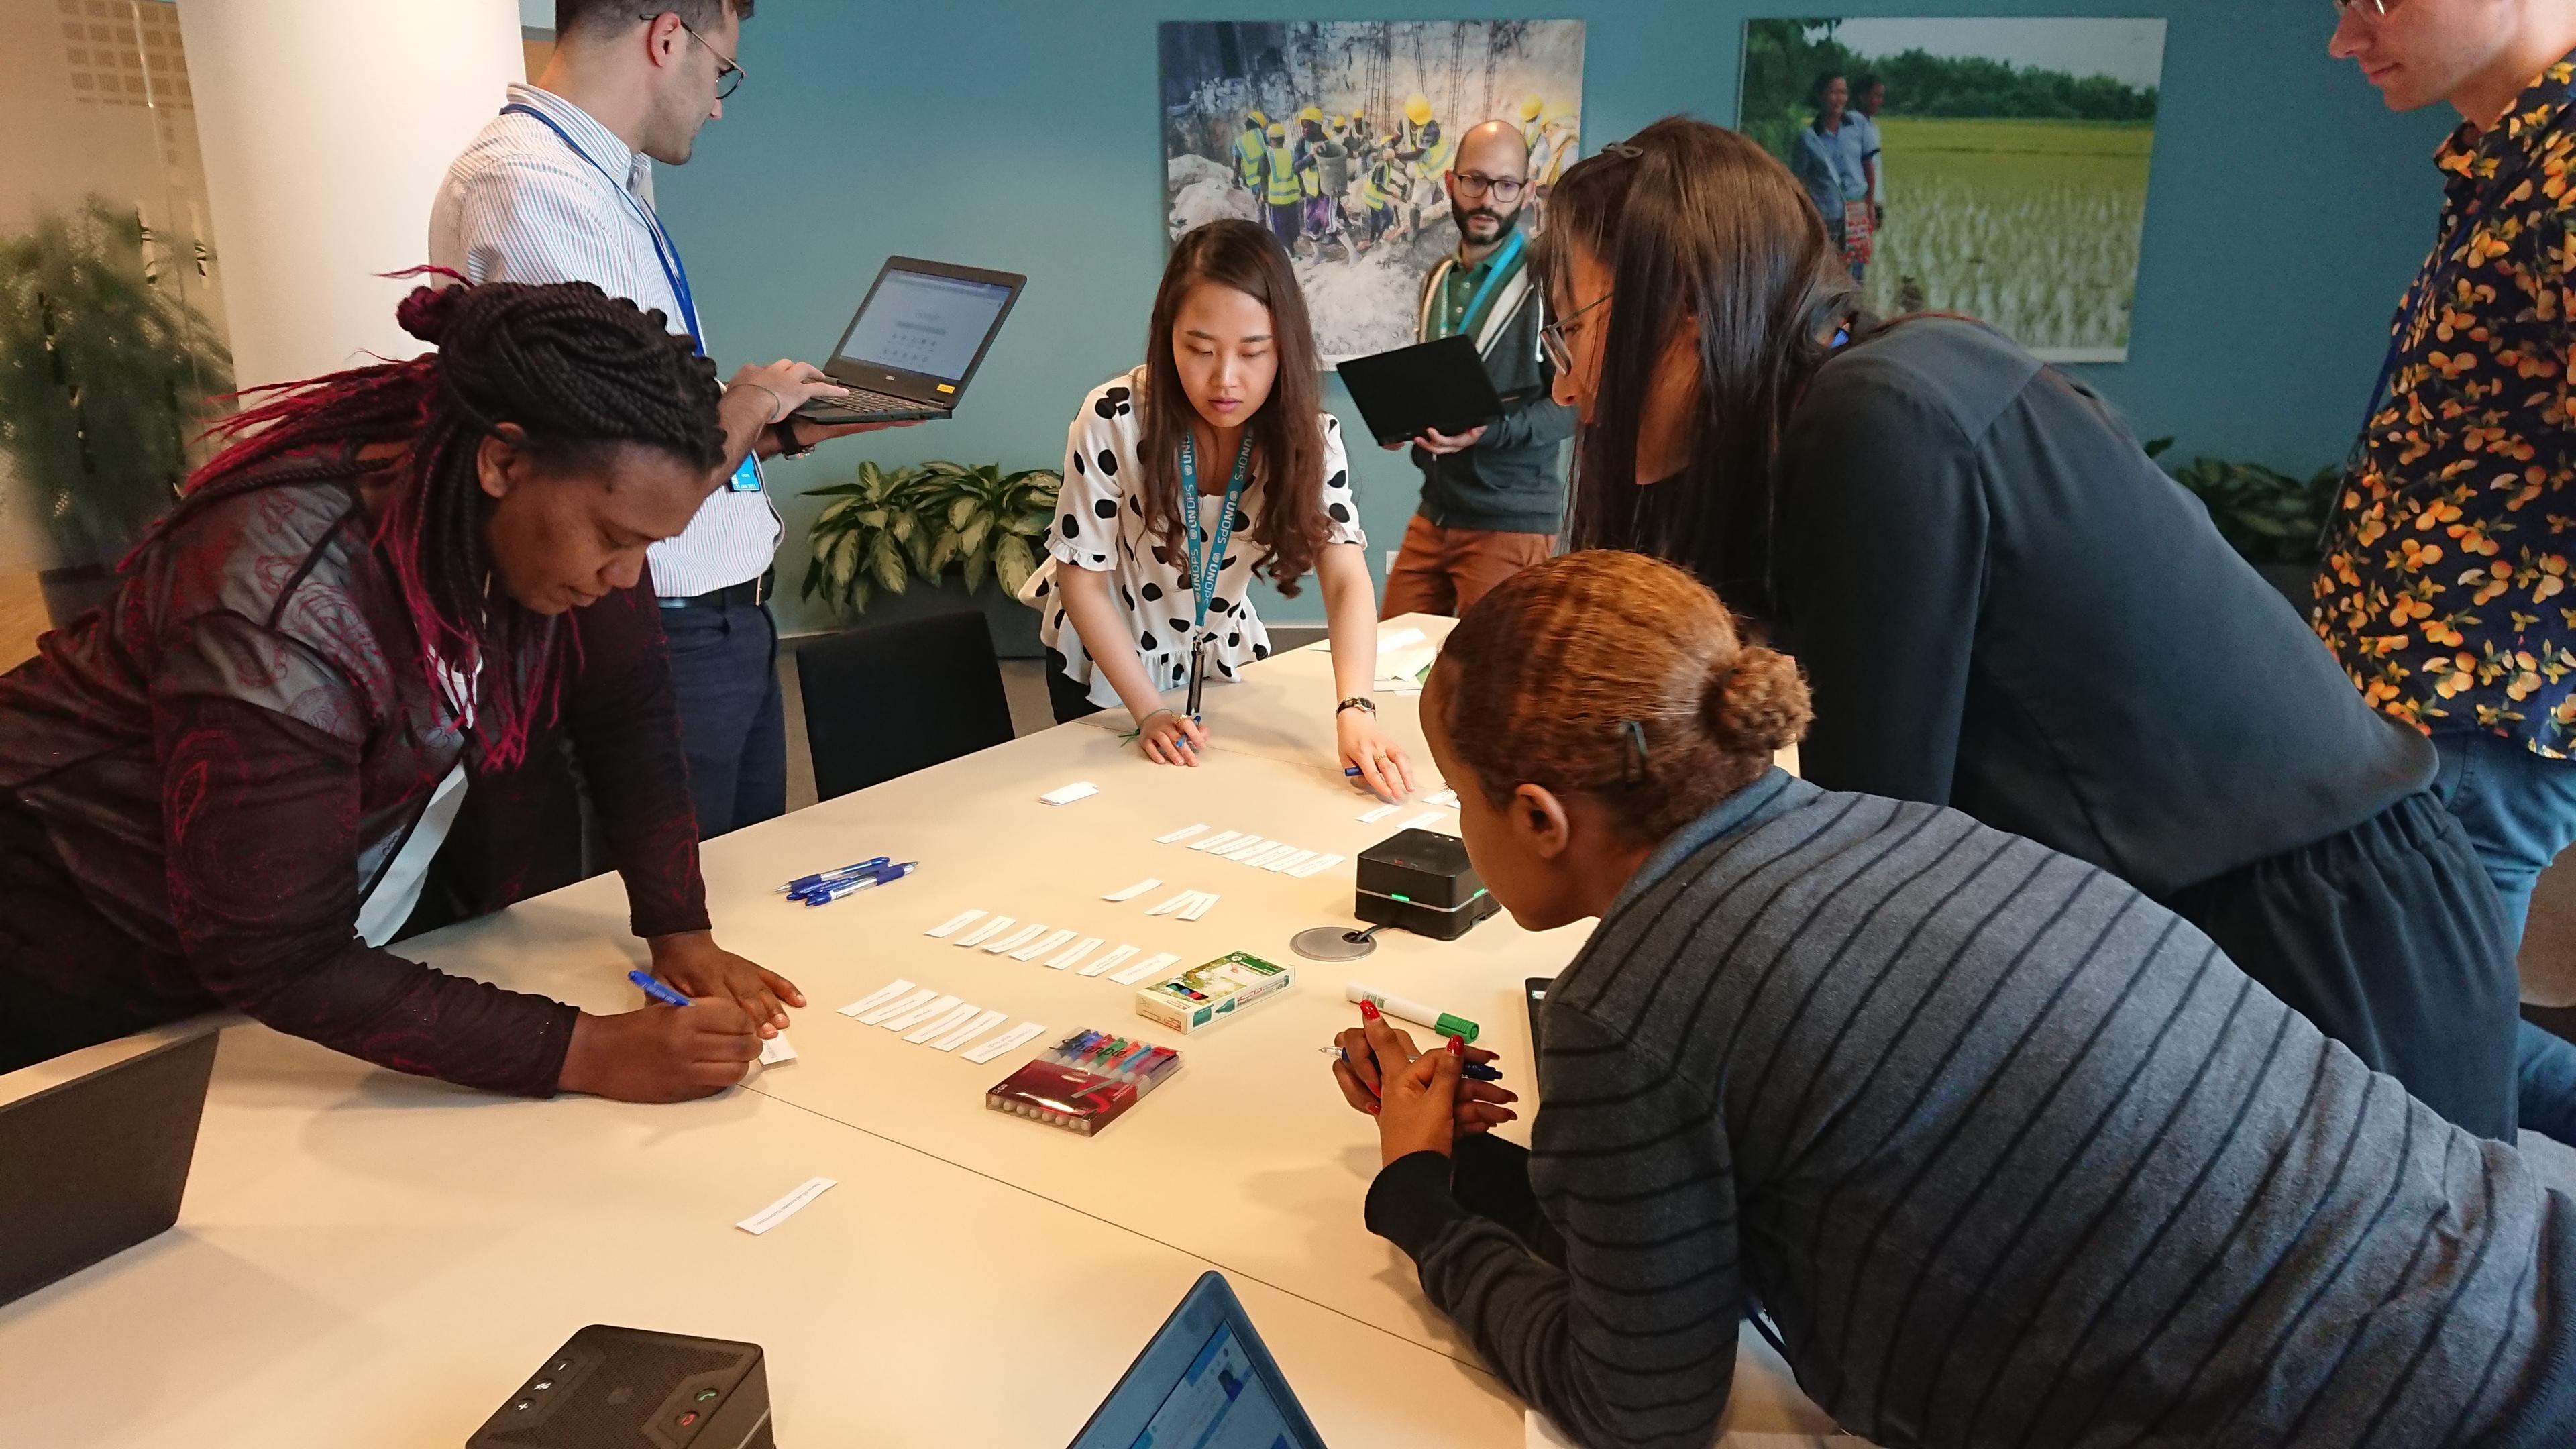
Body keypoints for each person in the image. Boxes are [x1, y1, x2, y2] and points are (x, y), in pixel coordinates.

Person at [1330, 549, 2576, 1449]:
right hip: (2516, 1276)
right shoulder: (1903, 827)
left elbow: (1637, 1405)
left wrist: (1424, 1200)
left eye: (1463, 799)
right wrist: (1523, 1179)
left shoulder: (1628, 1007)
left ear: (1541, 819)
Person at [1532, 117, 2527, 1140]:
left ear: (1686, 309)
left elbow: (1876, 861)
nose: (1564, 384)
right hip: (2260, 919)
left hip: (2312, 943)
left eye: (1570, 327)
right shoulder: (1887, 380)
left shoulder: (1874, 417)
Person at [0, 280, 802, 1099]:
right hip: (68, 944)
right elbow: (278, 955)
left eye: (647, 544)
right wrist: (586, 1050)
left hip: (289, 948)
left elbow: (626, 715)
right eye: (612, 540)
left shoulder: (567, 511)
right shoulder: (279, 600)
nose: (627, 575)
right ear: (502, 461)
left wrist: (678, 928)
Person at [431, 0, 895, 844]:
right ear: (668, 36)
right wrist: (750, 402)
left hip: (719, 626)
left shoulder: (608, 179)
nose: (717, 103)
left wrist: (776, 432)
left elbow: (631, 420)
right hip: (657, 627)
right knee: (663, 930)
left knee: (739, 898)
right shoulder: (532, 185)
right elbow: (616, 465)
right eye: (724, 72)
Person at [2317, 0, 2576, 1140]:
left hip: (2477, 727)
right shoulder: (2507, 163)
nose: (2347, 36)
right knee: (2387, 1043)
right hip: (2426, 725)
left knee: (2414, 1086)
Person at [1029, 220, 1413, 802]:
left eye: (1254, 352)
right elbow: (1082, 582)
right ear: (1168, 338)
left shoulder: (1310, 437)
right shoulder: (1114, 416)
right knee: (1114, 817)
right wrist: (1149, 712)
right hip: (1107, 653)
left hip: (1214, 653)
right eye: (1200, 350)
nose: (1225, 379)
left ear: (1285, 345)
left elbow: (1344, 576)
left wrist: (1354, 708)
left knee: (1223, 806)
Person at [1379, 121, 1572, 620]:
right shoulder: (1438, 278)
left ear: (1527, 194)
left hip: (1511, 522)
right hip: (1434, 511)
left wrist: (1488, 433)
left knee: (1488, 687)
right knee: (1388, 665)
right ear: (1450, 183)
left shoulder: (1549, 282)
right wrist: (1403, 419)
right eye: (1476, 181)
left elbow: (1574, 406)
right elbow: (1441, 383)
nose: (1489, 198)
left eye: (1506, 185)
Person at [1790, 72, 1870, 282]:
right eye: (1833, 92)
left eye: (1843, 92)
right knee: (1827, 270)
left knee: (1856, 274)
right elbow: (1799, 180)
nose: (1839, 98)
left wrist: (1871, 206)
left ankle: (1852, 312)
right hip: (1826, 214)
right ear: (1820, 96)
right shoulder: (1807, 138)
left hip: (1856, 212)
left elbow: (1868, 166)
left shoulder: (1857, 127)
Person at [1258, 119, 1305, 252]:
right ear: (1283, 139)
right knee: (1292, 225)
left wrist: (1264, 195)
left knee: (1279, 228)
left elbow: (1263, 178)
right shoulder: (1291, 154)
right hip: (1292, 198)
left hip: (1276, 200)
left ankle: (1288, 252)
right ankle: (1294, 249)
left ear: (1270, 138)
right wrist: (1303, 189)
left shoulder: (1266, 156)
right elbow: (1298, 174)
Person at [1849, 72, 1886, 226]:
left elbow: (1875, 168)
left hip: (1874, 199)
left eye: (1881, 96)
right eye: (1876, 96)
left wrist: (1876, 202)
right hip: (1858, 202)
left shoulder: (1873, 127)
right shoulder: (1850, 126)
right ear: (1862, 97)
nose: (1879, 101)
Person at [1234, 108, 1269, 193]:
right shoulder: (1261, 134)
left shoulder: (1238, 142)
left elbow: (1237, 166)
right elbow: (1273, 152)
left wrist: (1236, 181)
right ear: (1259, 126)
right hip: (1268, 179)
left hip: (1253, 183)